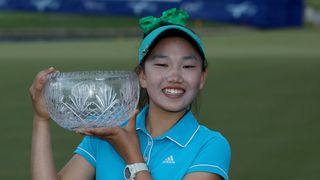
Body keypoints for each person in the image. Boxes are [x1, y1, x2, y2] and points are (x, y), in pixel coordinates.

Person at [30, 8, 231, 180]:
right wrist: (41, 119)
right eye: (162, 64)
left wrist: (132, 157)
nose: (175, 76)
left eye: (187, 66)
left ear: (202, 78)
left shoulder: (210, 145)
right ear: (142, 76)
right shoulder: (106, 131)